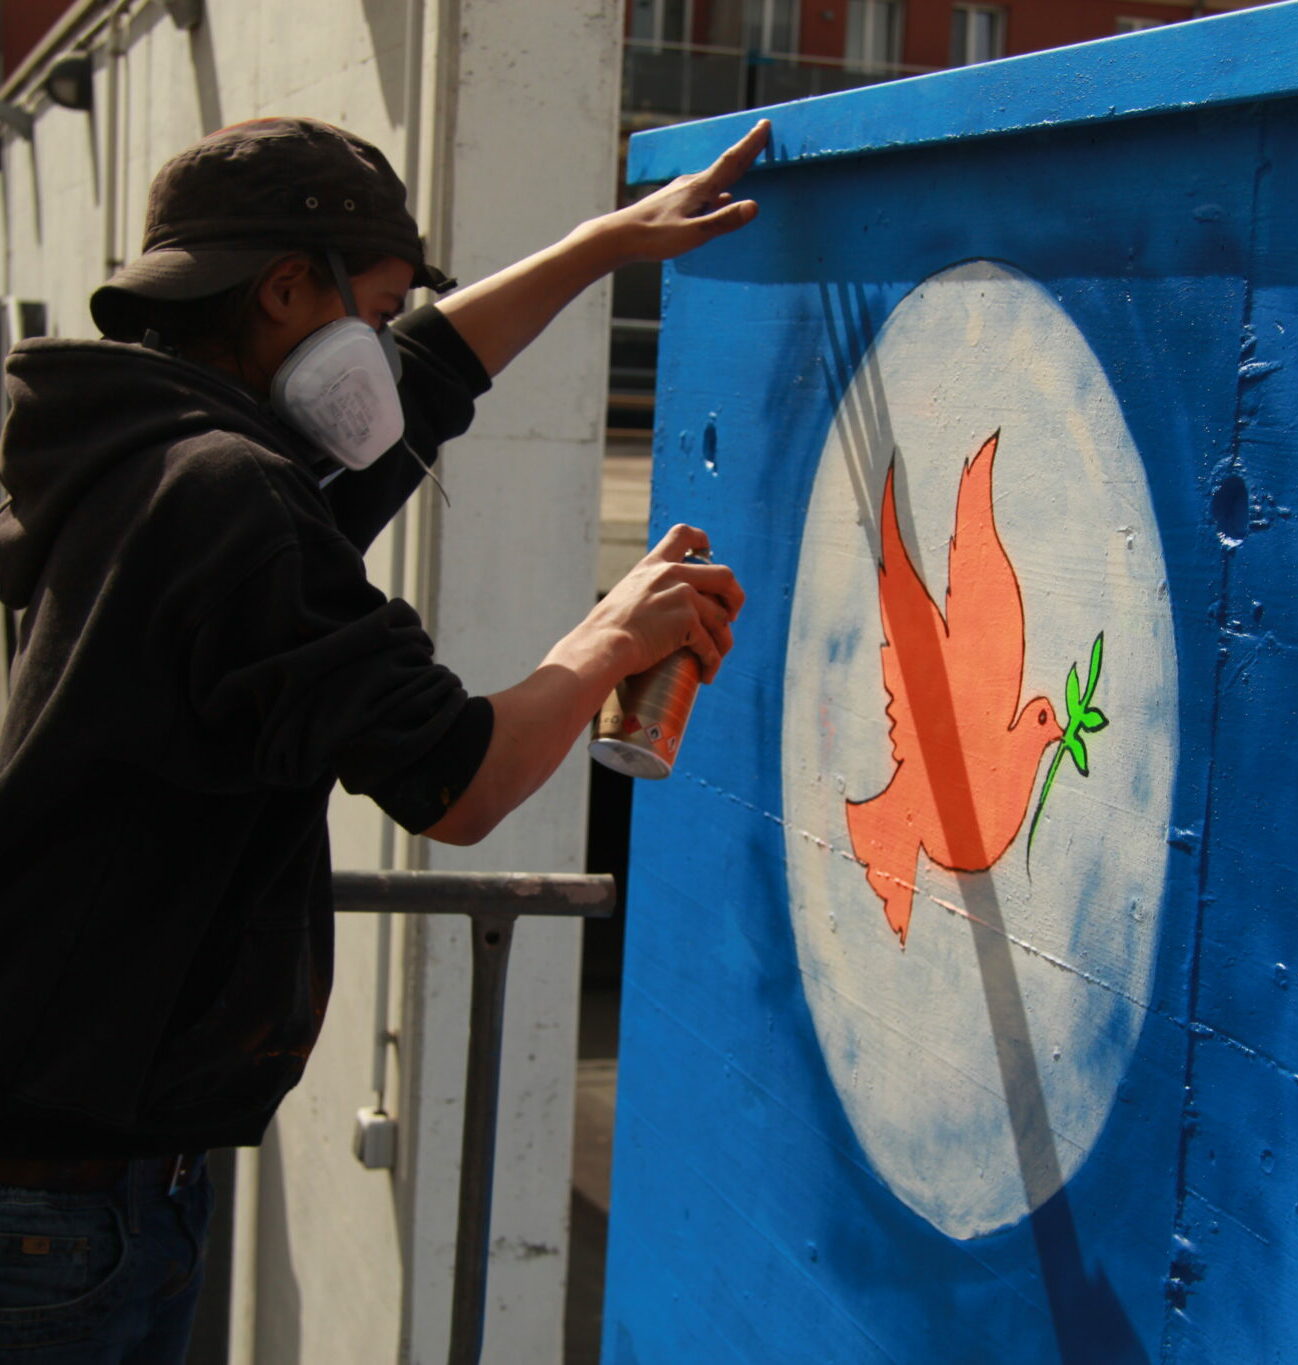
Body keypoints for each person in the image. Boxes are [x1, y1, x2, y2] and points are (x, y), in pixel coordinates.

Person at [0, 113, 766, 1360]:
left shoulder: (137, 455)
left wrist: (598, 249)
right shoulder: (229, 496)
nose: (381, 341)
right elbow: (458, 780)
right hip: (65, 1208)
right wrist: (613, 638)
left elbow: (423, 376)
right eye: (374, 303)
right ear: (287, 290)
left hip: (69, 1170)